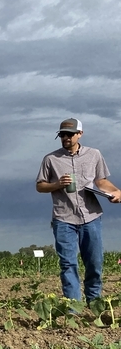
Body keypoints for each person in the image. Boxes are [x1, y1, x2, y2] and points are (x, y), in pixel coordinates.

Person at [36, 118, 121, 302]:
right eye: (62, 135)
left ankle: (94, 302)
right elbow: (40, 186)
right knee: (68, 263)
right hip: (63, 217)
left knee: (94, 263)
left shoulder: (94, 154)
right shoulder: (50, 159)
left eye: (70, 134)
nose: (65, 138)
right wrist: (57, 184)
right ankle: (74, 307)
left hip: (91, 216)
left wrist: (115, 192)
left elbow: (100, 181)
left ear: (80, 134)